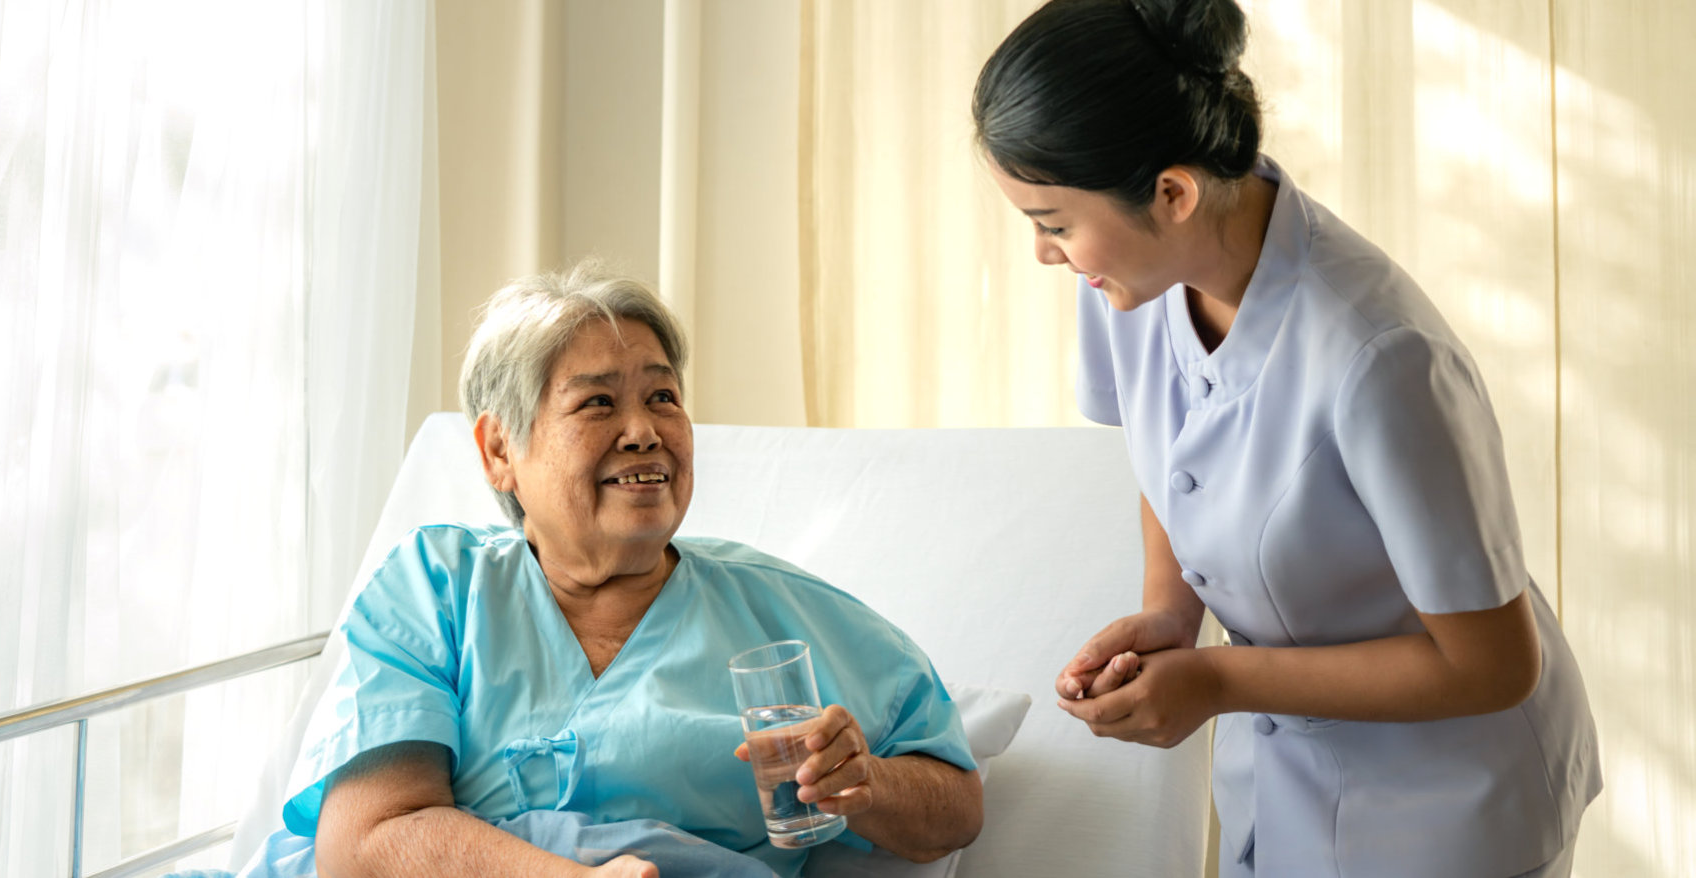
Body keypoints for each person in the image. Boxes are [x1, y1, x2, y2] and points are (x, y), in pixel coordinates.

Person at [972, 1, 1599, 876]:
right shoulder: (1126, 277)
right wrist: (1169, 613)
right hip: (1282, 779)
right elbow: (1172, 460)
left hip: (1450, 810)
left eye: (1052, 221)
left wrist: (1221, 680)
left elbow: (1492, 666)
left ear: (1173, 192)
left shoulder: (1377, 356)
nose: (1045, 253)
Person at [246, 263, 982, 878]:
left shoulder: (778, 608)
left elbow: (956, 808)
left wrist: (866, 782)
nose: (643, 432)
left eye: (663, 397)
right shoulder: (436, 588)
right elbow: (366, 843)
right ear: (500, 450)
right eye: (597, 403)